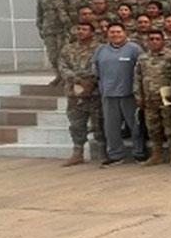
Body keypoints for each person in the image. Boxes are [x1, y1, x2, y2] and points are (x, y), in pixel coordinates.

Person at [92, 23, 144, 167]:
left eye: (118, 32)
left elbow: (142, 70)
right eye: (112, 32)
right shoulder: (101, 50)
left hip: (129, 94)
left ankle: (139, 153)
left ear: (125, 33)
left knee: (135, 126)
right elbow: (95, 70)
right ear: (108, 34)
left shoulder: (134, 49)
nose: (115, 35)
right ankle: (115, 155)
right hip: (109, 95)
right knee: (111, 128)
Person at [58, 22, 104, 166]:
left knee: (99, 123)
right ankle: (77, 153)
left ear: (92, 32)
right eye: (78, 29)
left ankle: (102, 152)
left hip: (95, 92)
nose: (80, 32)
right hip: (75, 93)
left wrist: (91, 81)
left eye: (84, 29)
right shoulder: (68, 49)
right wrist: (77, 80)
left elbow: (104, 66)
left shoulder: (101, 48)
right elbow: (63, 67)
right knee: (76, 123)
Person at [134, 30, 171, 166]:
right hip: (148, 97)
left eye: (157, 39)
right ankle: (157, 155)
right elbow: (137, 77)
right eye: (151, 39)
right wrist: (138, 95)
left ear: (163, 41)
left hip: (166, 96)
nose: (154, 42)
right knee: (153, 128)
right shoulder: (142, 58)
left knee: (170, 128)